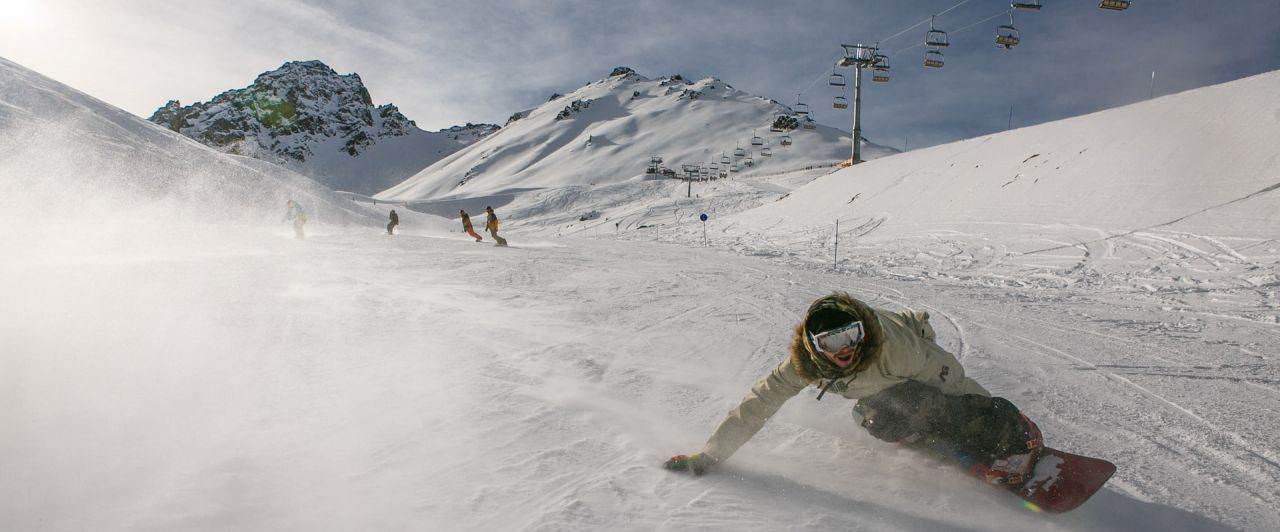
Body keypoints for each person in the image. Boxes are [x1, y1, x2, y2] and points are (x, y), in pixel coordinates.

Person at [664, 292, 1042, 486]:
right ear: (814, 346)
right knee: (881, 420)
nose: (844, 349)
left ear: (861, 332)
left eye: (850, 335)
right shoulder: (803, 367)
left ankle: (1007, 433)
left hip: (913, 357)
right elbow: (756, 405)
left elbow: (950, 376)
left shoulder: (894, 348)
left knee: (938, 407)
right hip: (876, 389)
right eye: (831, 342)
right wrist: (710, 456)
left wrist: (985, 413)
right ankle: (922, 433)